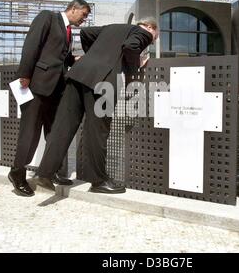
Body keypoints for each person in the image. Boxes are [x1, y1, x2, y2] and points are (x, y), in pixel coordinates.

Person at [34, 18, 159, 194]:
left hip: (78, 75)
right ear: (150, 28)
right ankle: (98, 181)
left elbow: (85, 32)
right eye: (155, 38)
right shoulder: (143, 32)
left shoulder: (113, 26)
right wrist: (134, 69)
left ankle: (44, 173)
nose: (152, 40)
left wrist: (93, 57)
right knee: (98, 132)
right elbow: (131, 47)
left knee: (63, 127)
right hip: (104, 83)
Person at [8, 0, 91, 197]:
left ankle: (49, 172)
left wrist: (76, 59)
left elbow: (60, 56)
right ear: (73, 9)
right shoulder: (48, 17)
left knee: (54, 132)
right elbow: (32, 44)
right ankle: (17, 172)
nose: (85, 19)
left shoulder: (68, 30)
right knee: (30, 132)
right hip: (37, 85)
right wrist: (25, 74)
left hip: (56, 89)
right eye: (84, 15)